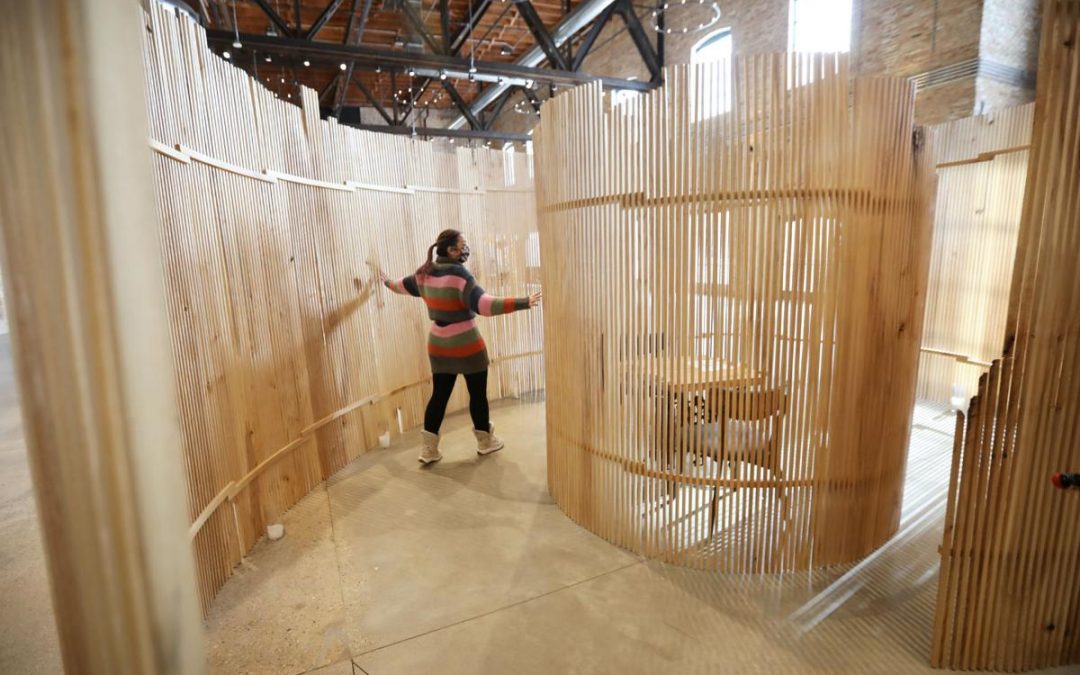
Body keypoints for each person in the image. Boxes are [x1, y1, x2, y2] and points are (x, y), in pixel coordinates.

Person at [376, 229, 542, 465]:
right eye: (462, 246)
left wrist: (385, 281)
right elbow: (484, 305)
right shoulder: (461, 276)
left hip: (438, 345)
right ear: (452, 250)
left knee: (439, 396)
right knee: (477, 395)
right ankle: (486, 443)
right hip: (467, 344)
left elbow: (399, 286)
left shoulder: (423, 274)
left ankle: (428, 449)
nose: (465, 249)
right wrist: (522, 302)